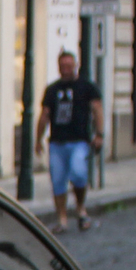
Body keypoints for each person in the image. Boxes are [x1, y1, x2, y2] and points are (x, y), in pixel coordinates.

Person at [36, 50, 104, 232]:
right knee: (58, 180)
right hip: (57, 142)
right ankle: (62, 218)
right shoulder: (52, 90)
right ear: (58, 67)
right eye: (62, 66)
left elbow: (97, 109)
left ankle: (81, 209)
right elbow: (44, 115)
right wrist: (38, 139)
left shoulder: (86, 87)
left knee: (79, 173)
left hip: (79, 140)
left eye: (69, 66)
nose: (66, 69)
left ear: (75, 66)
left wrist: (99, 134)